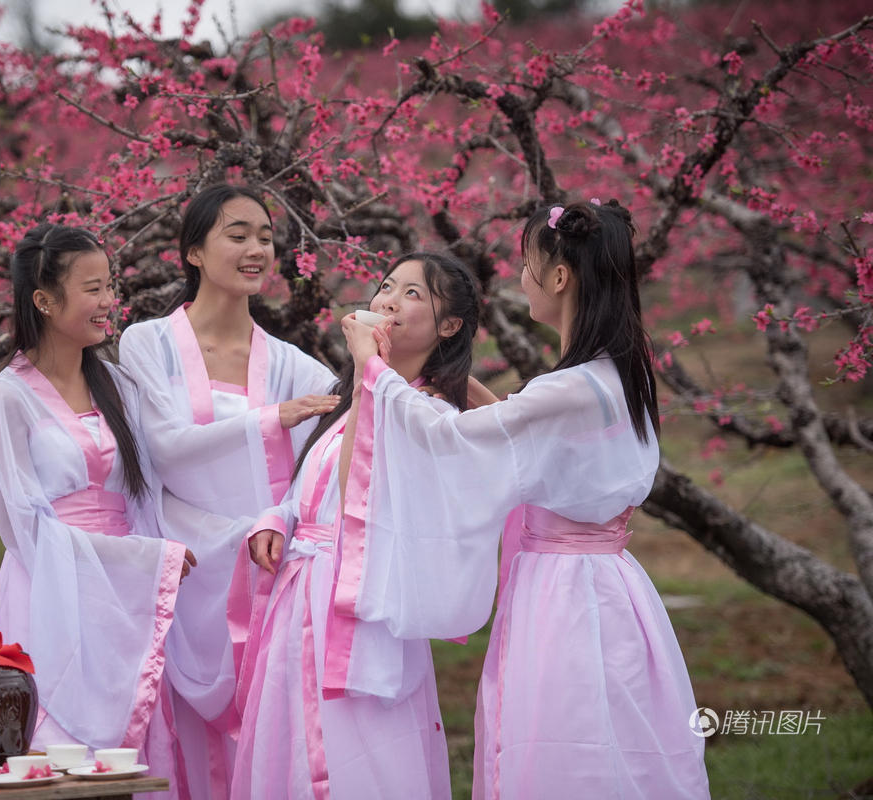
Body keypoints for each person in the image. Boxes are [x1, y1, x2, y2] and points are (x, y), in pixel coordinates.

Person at [340, 201, 711, 799]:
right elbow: (529, 441)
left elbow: (452, 439)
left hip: (567, 593)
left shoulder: (571, 385)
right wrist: (462, 388)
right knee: (606, 734)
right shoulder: (616, 371)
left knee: (565, 739)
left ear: (559, 277)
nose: (521, 277)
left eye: (528, 264)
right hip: (604, 582)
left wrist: (371, 367)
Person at [118, 184, 339, 800]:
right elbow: (167, 445)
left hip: (260, 562)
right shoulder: (148, 343)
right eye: (237, 234)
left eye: (266, 237)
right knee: (181, 738)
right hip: (185, 565)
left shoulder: (291, 362)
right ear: (192, 252)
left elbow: (343, 429)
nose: (256, 249)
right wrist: (272, 419)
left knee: (266, 730)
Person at [234, 252, 481, 800]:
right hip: (301, 594)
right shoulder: (350, 399)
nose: (389, 299)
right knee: (294, 747)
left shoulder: (431, 413)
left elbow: (359, 493)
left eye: (414, 294)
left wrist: (371, 368)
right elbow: (313, 492)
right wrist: (277, 518)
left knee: (359, 753)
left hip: (360, 601)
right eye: (387, 286)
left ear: (449, 326)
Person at [0, 223, 193, 794]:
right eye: (93, 289)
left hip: (124, 591)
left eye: (110, 286)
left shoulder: (118, 385)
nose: (108, 303)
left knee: (133, 745)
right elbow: (23, 524)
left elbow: (149, 491)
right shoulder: (8, 396)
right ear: (44, 301)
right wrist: (143, 558)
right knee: (61, 748)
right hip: (51, 590)